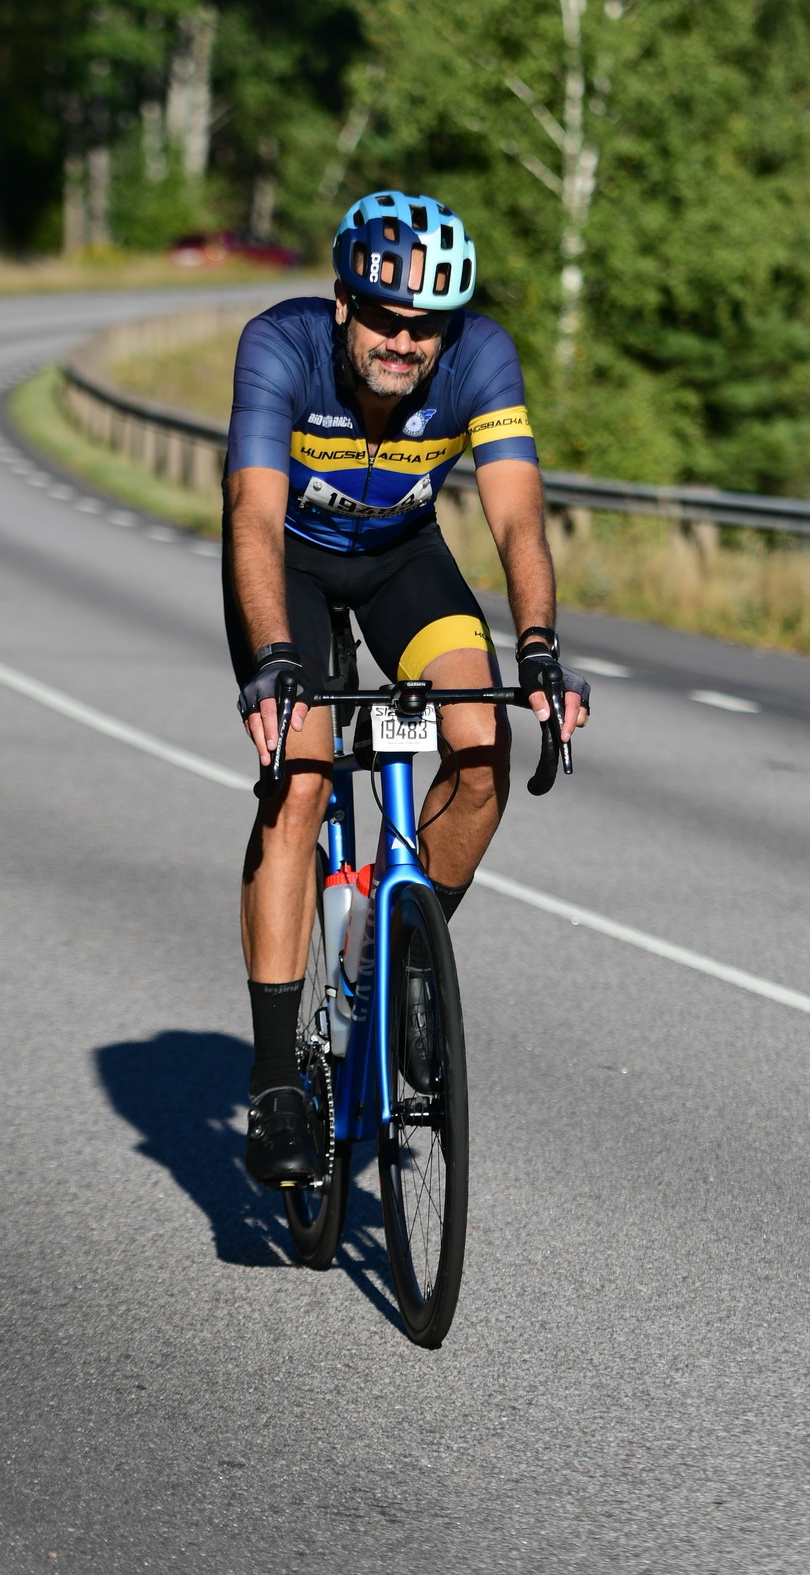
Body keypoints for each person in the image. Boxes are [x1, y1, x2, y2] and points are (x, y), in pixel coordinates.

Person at [223, 189, 590, 1185]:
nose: (403, 342)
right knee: (300, 779)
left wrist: (540, 648)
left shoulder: (483, 357)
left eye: (425, 326)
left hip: (401, 562)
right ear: (344, 303)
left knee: (480, 749)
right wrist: (274, 661)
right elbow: (250, 513)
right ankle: (276, 1082)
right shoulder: (280, 346)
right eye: (385, 318)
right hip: (288, 568)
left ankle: (402, 962)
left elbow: (516, 516)